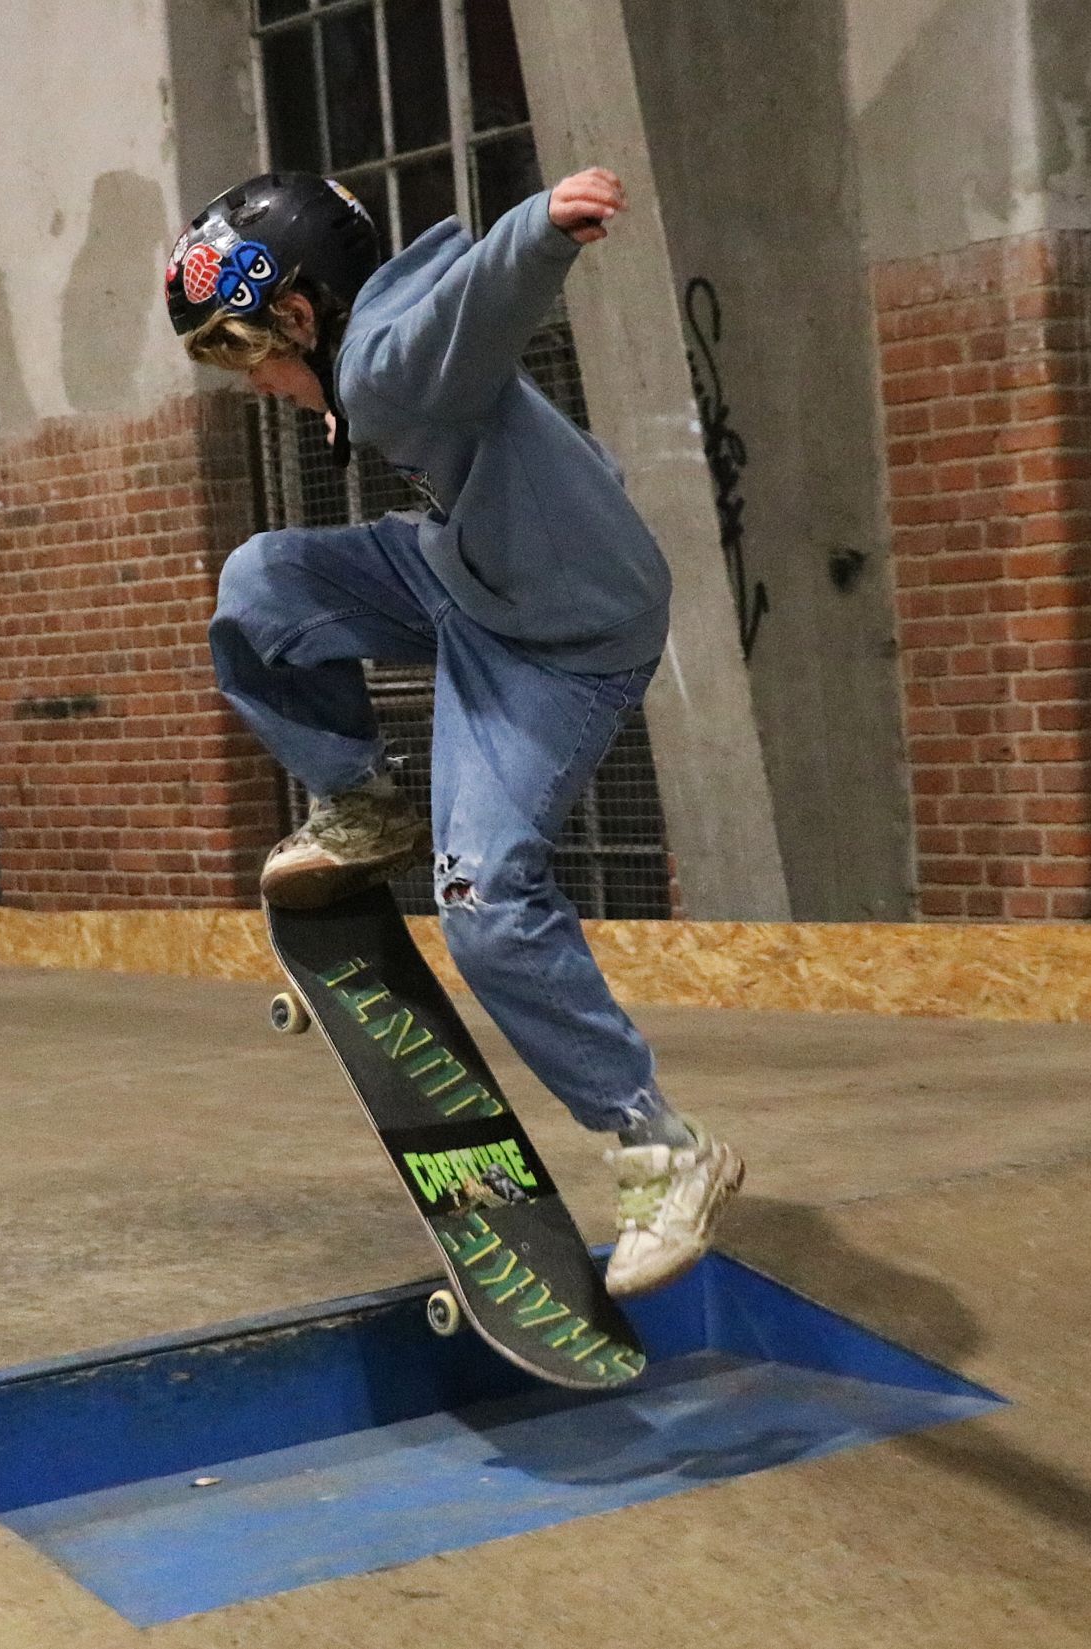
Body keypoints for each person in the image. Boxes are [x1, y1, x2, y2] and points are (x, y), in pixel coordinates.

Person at [165, 167, 743, 1296]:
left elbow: (467, 313)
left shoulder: (381, 364)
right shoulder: (363, 340)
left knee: (483, 907)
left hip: (558, 644)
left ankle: (661, 1146)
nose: (272, 389)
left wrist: (540, 231)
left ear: (298, 313)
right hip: (463, 575)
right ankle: (363, 799)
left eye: (264, 362)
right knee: (259, 587)